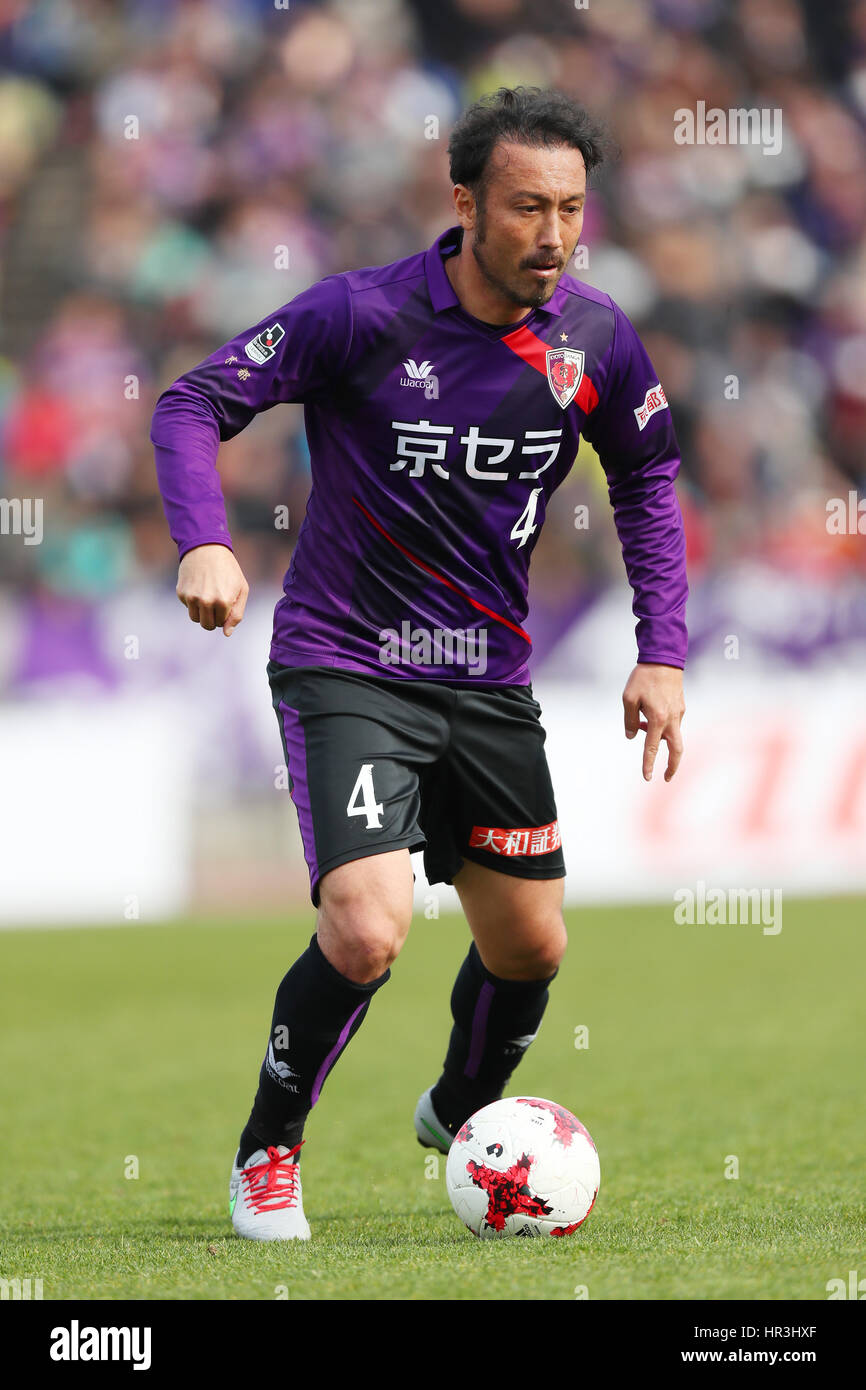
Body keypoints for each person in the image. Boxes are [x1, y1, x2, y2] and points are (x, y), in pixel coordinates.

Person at [150, 86, 687, 1242]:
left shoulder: (594, 335)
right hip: (348, 664)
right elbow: (193, 402)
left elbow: (645, 478)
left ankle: (458, 1108)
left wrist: (663, 652)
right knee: (366, 926)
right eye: (527, 207)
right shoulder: (359, 315)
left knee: (530, 945)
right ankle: (268, 1152)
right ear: (463, 203)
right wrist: (203, 537)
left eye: (571, 209)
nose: (553, 234)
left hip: (487, 682)